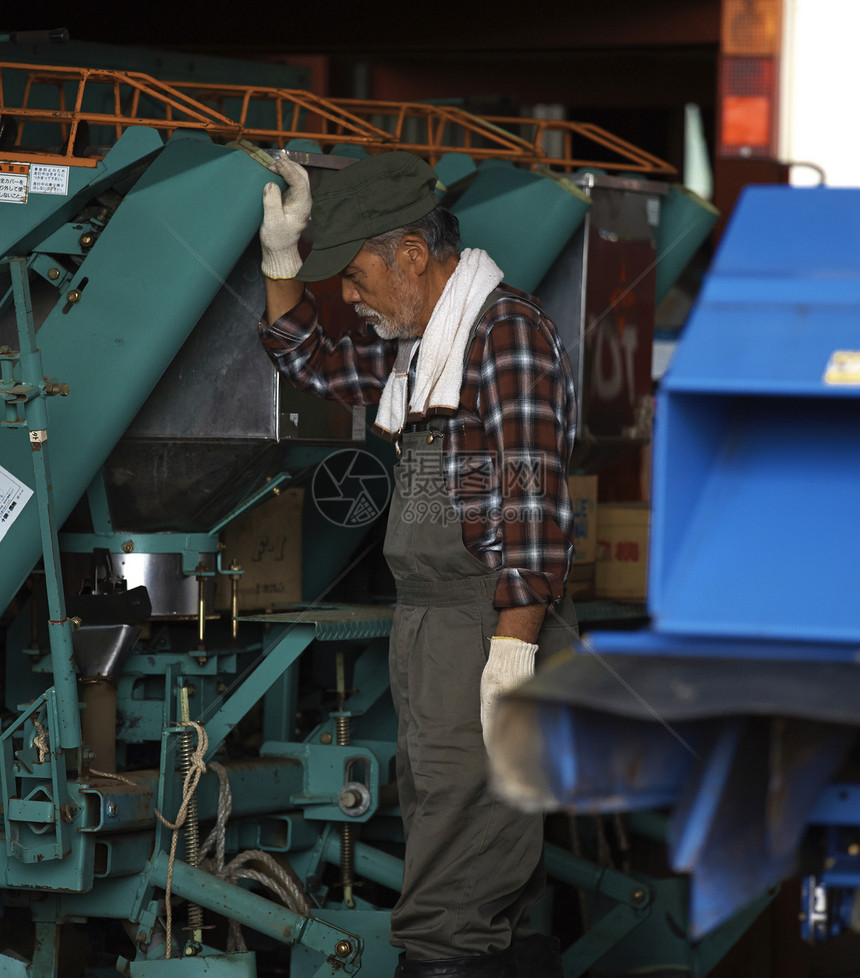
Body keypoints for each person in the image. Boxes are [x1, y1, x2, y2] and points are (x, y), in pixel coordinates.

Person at [257, 150, 579, 978]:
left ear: (411, 253)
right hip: (434, 621)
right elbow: (311, 360)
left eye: (357, 277)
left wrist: (512, 654)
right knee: (454, 820)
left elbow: (530, 503)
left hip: (487, 620)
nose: (349, 298)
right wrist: (280, 262)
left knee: (456, 879)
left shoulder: (503, 334)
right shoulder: (418, 350)